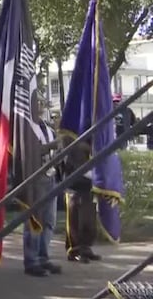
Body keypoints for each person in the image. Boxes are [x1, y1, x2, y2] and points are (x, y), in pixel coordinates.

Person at [22, 97, 63, 277]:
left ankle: (43, 257)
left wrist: (60, 149)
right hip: (35, 179)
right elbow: (31, 151)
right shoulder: (26, 128)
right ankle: (31, 261)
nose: (39, 106)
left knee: (49, 222)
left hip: (50, 175)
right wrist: (52, 146)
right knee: (34, 221)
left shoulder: (47, 127)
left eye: (40, 103)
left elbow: (55, 149)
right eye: (35, 103)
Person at [63, 137, 100, 263]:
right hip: (75, 186)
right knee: (75, 221)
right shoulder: (70, 138)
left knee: (88, 221)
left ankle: (86, 249)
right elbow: (71, 166)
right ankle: (75, 251)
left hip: (89, 186)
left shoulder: (93, 139)